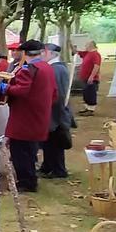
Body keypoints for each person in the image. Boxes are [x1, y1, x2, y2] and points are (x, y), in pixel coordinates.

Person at [0, 40, 57, 193]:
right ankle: (30, 178)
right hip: (39, 114)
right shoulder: (47, 67)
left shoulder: (28, 69)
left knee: (20, 151)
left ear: (25, 54)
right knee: (30, 150)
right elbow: (54, 93)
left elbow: (21, 90)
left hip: (24, 117)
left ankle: (26, 182)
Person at [39, 44, 73, 179]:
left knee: (56, 142)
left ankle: (58, 169)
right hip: (53, 111)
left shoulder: (56, 69)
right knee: (48, 141)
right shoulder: (54, 68)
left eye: (44, 52)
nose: (42, 55)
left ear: (52, 54)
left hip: (56, 112)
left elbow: (58, 94)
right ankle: (48, 166)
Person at [79, 40, 102, 116]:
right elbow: (77, 52)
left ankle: (91, 109)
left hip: (91, 79)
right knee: (86, 93)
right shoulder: (88, 53)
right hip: (85, 78)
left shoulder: (95, 54)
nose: (85, 46)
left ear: (91, 46)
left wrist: (92, 76)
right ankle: (87, 108)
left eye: (86, 45)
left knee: (91, 93)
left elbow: (96, 66)